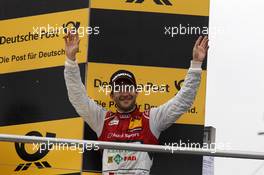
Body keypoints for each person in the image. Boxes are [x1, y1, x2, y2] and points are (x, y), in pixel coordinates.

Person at [64, 32, 209, 175]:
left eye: (129, 87)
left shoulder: (151, 119)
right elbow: (78, 98)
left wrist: (196, 64)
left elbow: (182, 101)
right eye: (119, 89)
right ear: (112, 95)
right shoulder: (102, 120)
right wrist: (70, 60)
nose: (125, 93)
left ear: (137, 92)